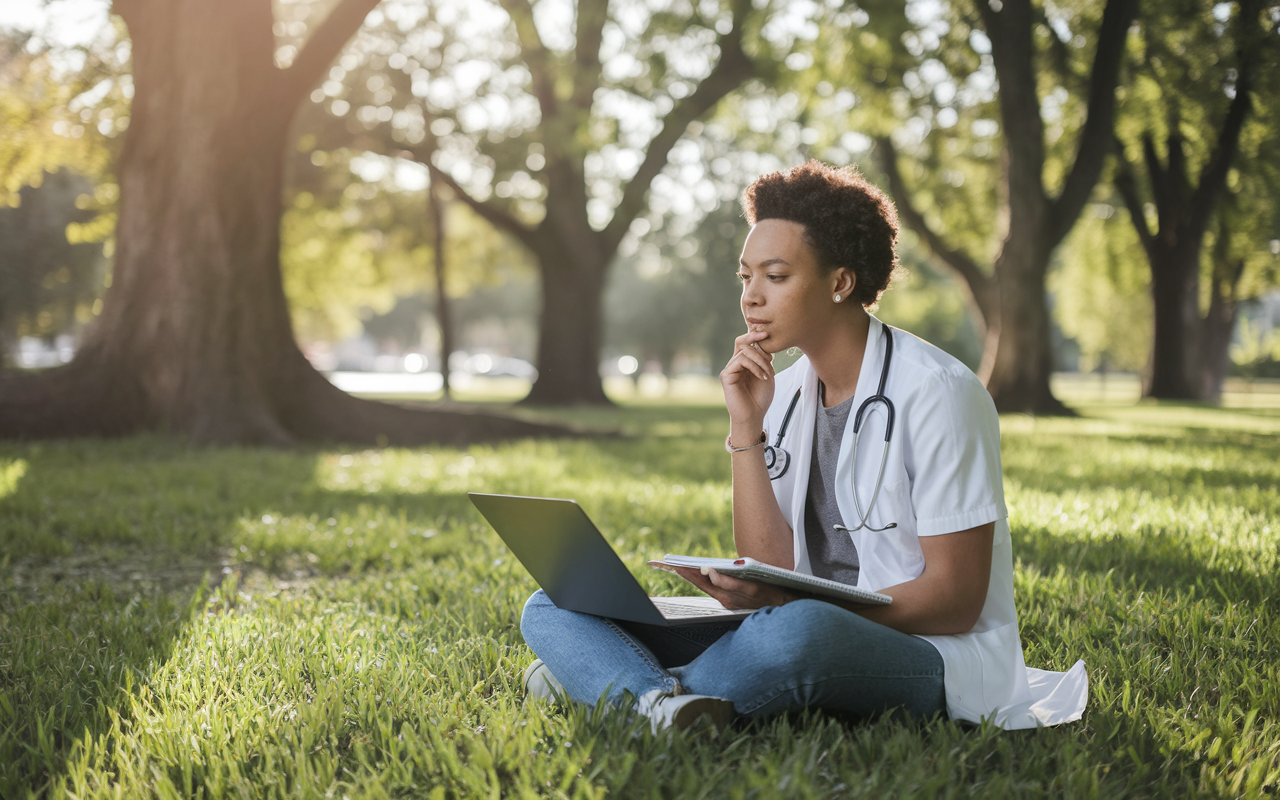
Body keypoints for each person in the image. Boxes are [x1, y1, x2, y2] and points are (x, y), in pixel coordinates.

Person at [519, 161, 1087, 732]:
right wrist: (746, 429)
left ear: (840, 283)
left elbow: (956, 600)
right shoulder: (782, 393)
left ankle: (608, 685)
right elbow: (768, 569)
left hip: (928, 653)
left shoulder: (940, 392)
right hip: (787, 623)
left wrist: (792, 608)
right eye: (745, 278)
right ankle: (660, 704)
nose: (752, 298)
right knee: (554, 604)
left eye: (776, 276)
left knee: (799, 633)